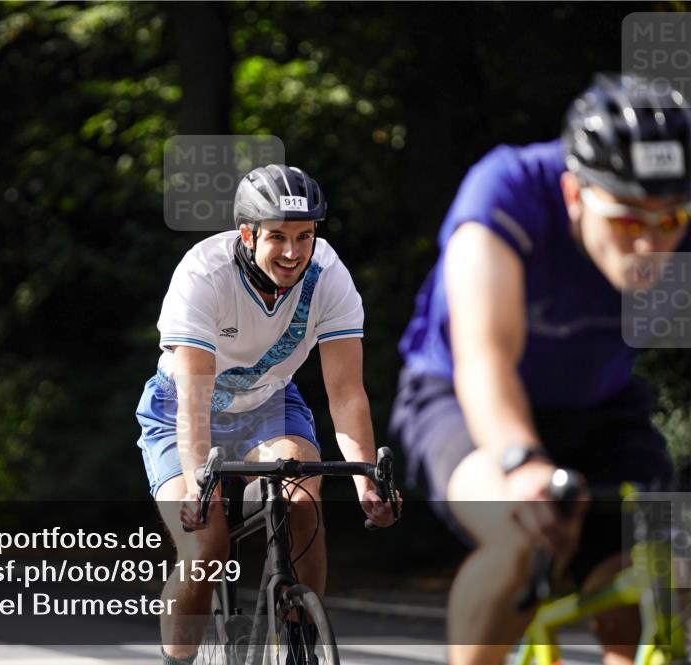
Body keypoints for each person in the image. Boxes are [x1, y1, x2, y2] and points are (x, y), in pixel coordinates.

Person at [390, 73, 691, 665]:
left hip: (601, 408)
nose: (650, 248)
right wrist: (521, 462)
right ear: (577, 194)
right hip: (461, 399)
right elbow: (484, 354)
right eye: (629, 223)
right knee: (521, 538)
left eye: (671, 222)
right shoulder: (507, 191)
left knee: (658, 569)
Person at [136, 164, 399, 664]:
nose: (293, 252)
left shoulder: (328, 276)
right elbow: (194, 397)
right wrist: (197, 485)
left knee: (303, 498)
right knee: (205, 548)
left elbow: (345, 394)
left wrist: (367, 482)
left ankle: (300, 645)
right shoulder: (203, 274)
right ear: (247, 233)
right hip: (182, 409)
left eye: (304, 236)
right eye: (277, 236)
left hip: (269, 402)